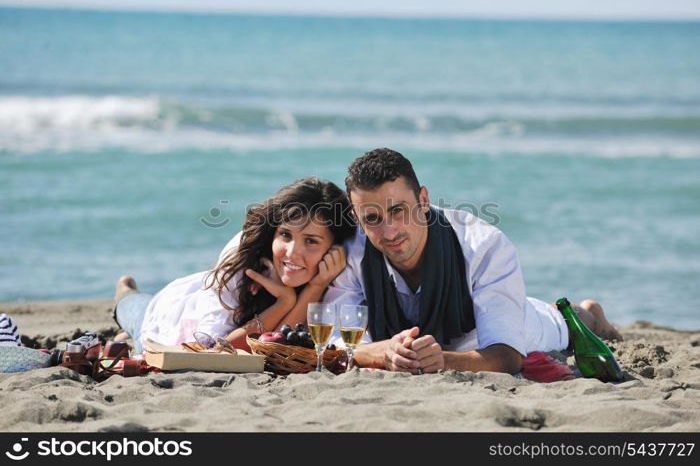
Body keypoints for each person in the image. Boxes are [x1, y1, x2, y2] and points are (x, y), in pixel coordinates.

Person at [323, 148, 622, 375]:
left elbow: (507, 355)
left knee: (567, 323)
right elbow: (334, 340)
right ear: (356, 217)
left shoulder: (484, 245)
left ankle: (590, 313)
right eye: (372, 218)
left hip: (513, 327)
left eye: (399, 210)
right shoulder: (353, 251)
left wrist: (442, 360)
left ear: (424, 200)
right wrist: (382, 352)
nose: (389, 231)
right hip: (455, 319)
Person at [112, 177, 356, 353]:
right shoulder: (243, 256)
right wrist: (284, 302)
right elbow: (216, 351)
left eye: (311, 241)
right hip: (173, 320)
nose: (292, 253)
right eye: (285, 235)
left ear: (333, 247)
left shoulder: (336, 270)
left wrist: (316, 287)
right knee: (136, 312)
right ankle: (125, 291)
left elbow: (276, 342)